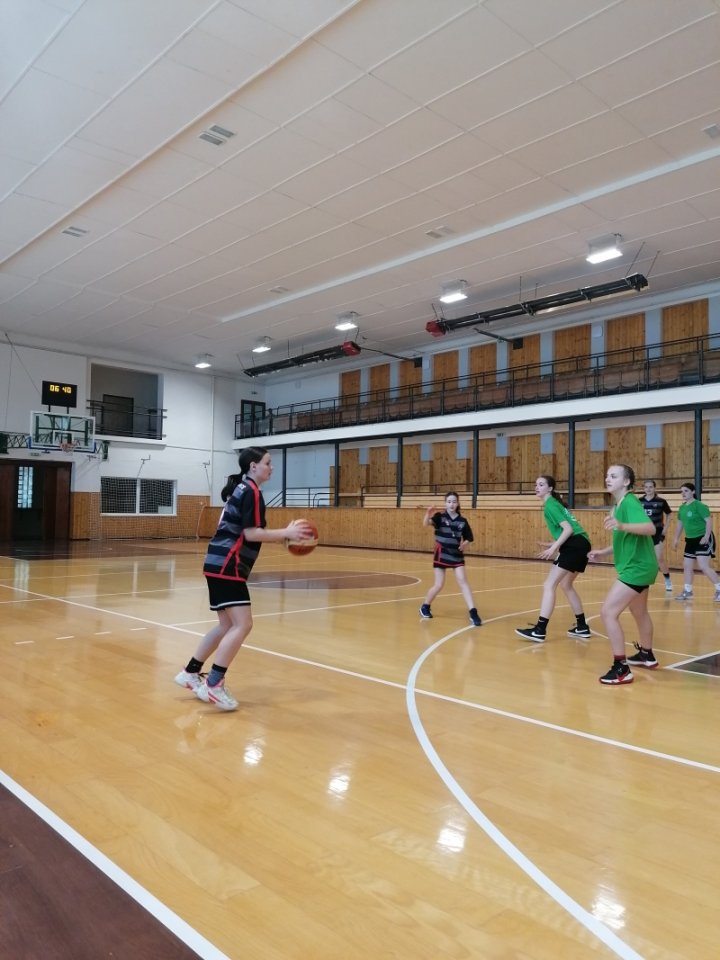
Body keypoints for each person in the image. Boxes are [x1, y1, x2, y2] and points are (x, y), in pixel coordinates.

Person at [174, 447, 314, 710]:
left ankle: (191, 672)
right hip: (229, 565)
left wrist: (282, 537)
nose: (271, 467)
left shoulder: (242, 489)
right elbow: (251, 533)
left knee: (226, 625)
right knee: (243, 624)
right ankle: (214, 684)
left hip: (217, 562)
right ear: (253, 466)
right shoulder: (251, 492)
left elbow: (247, 532)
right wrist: (286, 532)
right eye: (268, 463)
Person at [588, 464, 659, 685]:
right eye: (607, 475)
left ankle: (621, 668)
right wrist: (604, 552)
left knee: (608, 612)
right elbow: (625, 537)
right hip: (641, 565)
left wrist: (621, 524)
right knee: (639, 612)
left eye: (614, 476)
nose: (608, 479)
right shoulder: (618, 506)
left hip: (636, 567)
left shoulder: (629, 502)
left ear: (626, 482)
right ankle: (646, 654)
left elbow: (650, 528)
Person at [515, 475, 591, 643]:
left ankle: (540, 630)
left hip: (574, 545)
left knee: (549, 585)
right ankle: (582, 626)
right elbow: (570, 530)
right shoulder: (555, 504)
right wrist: (553, 543)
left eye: (541, 484)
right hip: (582, 543)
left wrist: (553, 548)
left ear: (550, 488)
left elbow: (568, 529)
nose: (537, 487)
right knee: (566, 585)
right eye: (536, 484)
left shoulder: (550, 505)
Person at [419, 492, 482, 626]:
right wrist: (428, 513)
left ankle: (473, 612)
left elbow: (469, 538)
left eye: (454, 501)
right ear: (445, 503)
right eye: (449, 501)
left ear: (458, 503)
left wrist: (464, 544)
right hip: (441, 554)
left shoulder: (462, 521)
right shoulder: (439, 517)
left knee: (463, 581)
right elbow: (425, 524)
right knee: (439, 585)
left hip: (456, 555)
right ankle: (425, 606)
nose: (451, 504)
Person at [672, 482, 720, 602]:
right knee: (687, 566)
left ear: (693, 492)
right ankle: (688, 591)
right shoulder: (682, 508)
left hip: (703, 538)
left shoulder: (699, 505)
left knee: (703, 566)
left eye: (686, 491)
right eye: (681, 491)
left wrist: (706, 536)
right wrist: (676, 538)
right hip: (690, 540)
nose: (683, 493)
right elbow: (680, 524)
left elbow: (708, 521)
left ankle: (719, 589)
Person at [639, 480, 673, 593]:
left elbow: (669, 514)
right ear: (644, 488)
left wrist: (665, 528)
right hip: (643, 533)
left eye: (650, 487)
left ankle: (667, 580)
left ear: (654, 488)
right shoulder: (639, 501)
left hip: (657, 532)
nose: (648, 489)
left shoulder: (661, 501)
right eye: (646, 487)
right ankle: (642, 580)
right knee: (642, 558)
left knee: (659, 559)